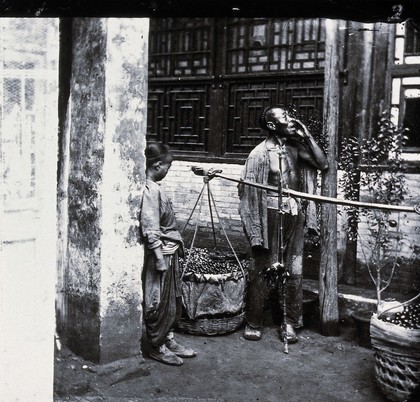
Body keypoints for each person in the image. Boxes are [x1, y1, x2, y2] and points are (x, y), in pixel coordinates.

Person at [238, 105, 328, 344]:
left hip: (294, 214)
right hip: (269, 215)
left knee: (294, 269)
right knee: (264, 267)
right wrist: (255, 228)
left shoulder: (295, 148)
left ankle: (289, 322)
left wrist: (306, 134)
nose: (291, 119)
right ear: (271, 125)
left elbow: (323, 164)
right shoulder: (259, 154)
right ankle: (254, 321)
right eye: (285, 117)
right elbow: (247, 192)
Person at [139, 142, 197, 366]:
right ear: (157, 165)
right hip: (161, 253)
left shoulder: (157, 188)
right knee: (158, 301)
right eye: (168, 167)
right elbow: (150, 226)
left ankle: (169, 338)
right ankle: (157, 345)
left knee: (172, 300)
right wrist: (160, 258)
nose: (168, 171)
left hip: (170, 251)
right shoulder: (150, 191)